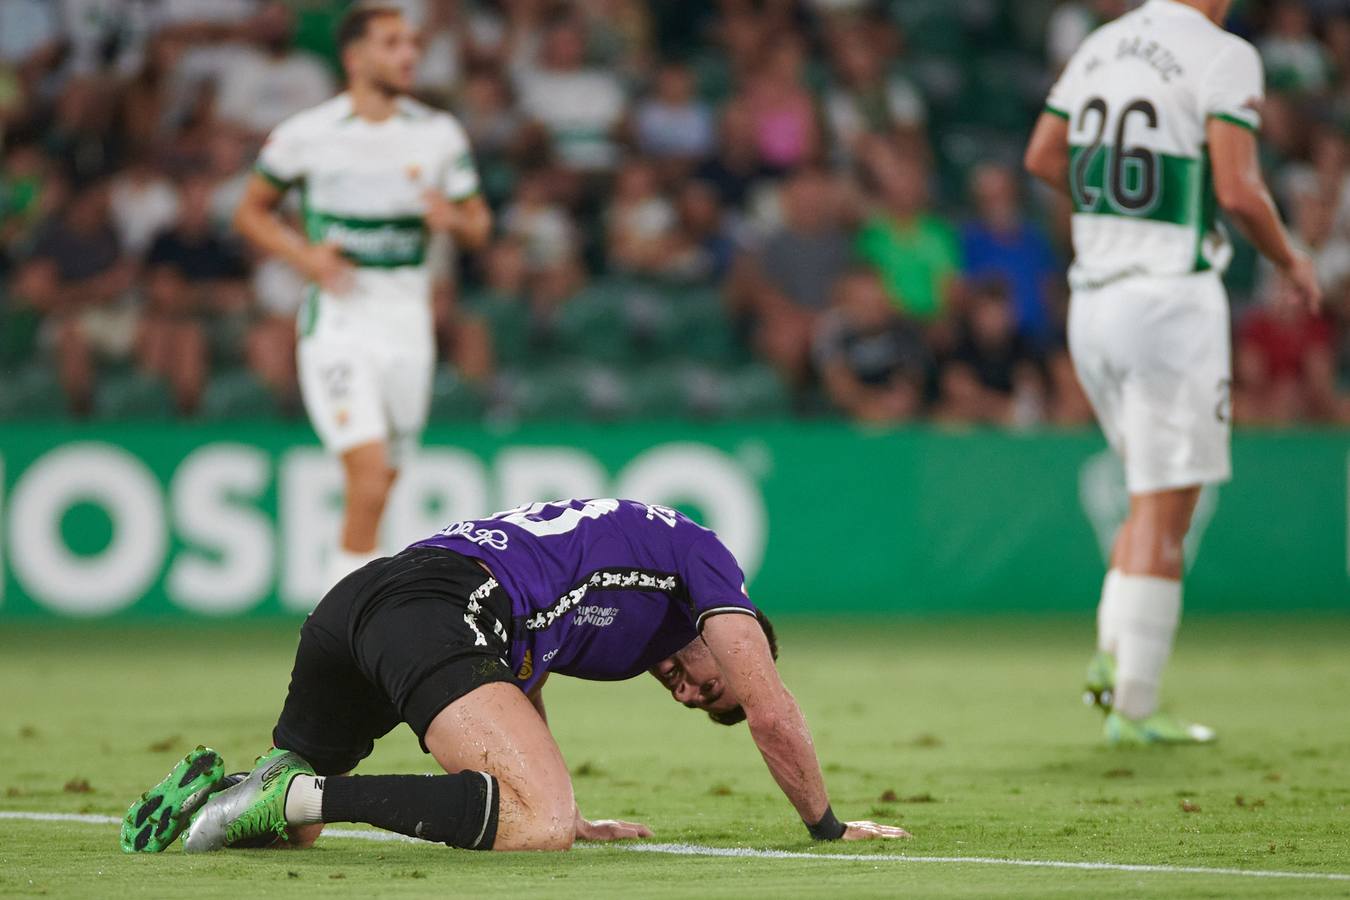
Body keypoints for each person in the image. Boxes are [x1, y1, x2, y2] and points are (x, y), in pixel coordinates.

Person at [120, 498, 911, 854]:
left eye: (691, 703)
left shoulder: (621, 636)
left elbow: (521, 681)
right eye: (710, 685)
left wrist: (564, 795)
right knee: (535, 826)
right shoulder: (707, 567)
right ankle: (284, 789)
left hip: (366, 602)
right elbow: (772, 712)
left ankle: (234, 790)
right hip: (440, 601)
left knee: (300, 833)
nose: (688, 690)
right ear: (744, 640)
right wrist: (829, 828)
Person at [1024, 0, 1322, 744]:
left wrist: (1118, 211)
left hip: (1092, 301)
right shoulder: (1224, 53)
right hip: (1167, 302)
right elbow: (1236, 188)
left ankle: (1111, 654)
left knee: (1146, 496)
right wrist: (1292, 260)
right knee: (1170, 506)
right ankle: (1134, 702)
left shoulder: (1101, 43)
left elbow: (1041, 157)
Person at [233, 4, 491, 592]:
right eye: (393, 43)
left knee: (381, 487)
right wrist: (305, 256)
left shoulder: (437, 133)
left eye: (413, 44)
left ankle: (352, 619)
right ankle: (343, 636)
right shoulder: (308, 134)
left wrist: (451, 216)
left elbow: (480, 225)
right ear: (355, 57)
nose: (409, 55)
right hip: (340, 324)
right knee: (369, 479)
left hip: (408, 327)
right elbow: (250, 211)